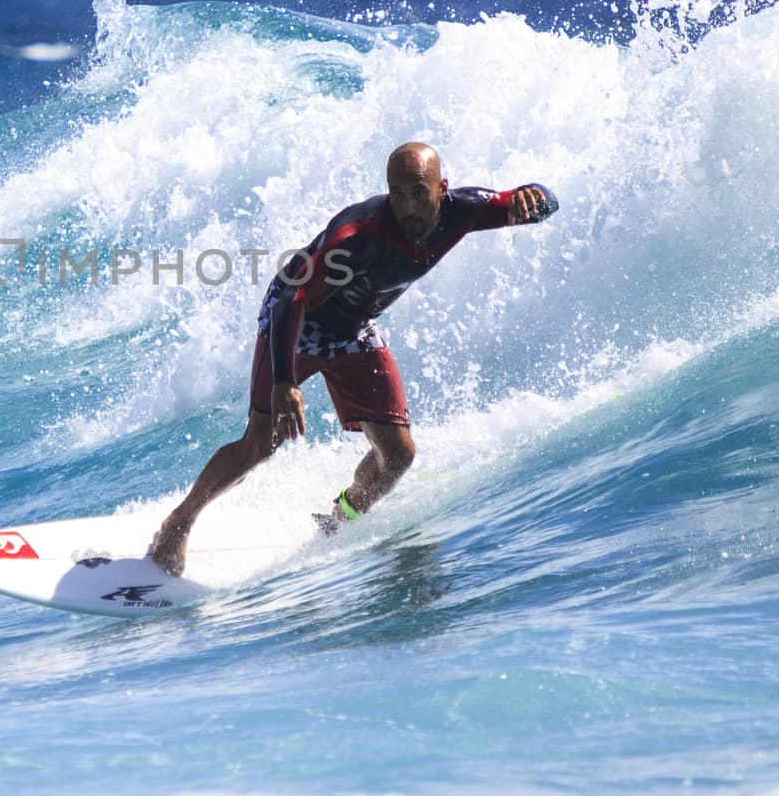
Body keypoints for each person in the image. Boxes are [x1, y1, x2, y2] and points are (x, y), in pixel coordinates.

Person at [149, 142, 558, 577]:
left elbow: (539, 203)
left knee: (398, 455)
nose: (407, 207)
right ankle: (178, 523)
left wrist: (536, 196)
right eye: (397, 194)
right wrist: (284, 381)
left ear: (442, 189)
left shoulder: (465, 211)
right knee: (261, 442)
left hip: (355, 326)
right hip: (296, 322)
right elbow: (293, 297)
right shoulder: (358, 236)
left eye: (418, 193)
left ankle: (340, 517)